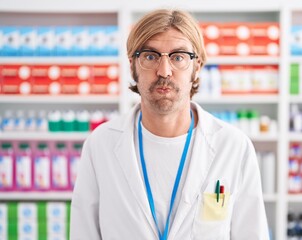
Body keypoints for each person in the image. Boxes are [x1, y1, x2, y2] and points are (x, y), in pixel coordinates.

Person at [70, 9, 269, 240]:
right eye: (150, 56)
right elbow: (83, 233)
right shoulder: (100, 144)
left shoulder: (234, 147)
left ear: (197, 67)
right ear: (133, 64)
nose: (164, 71)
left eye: (178, 57)